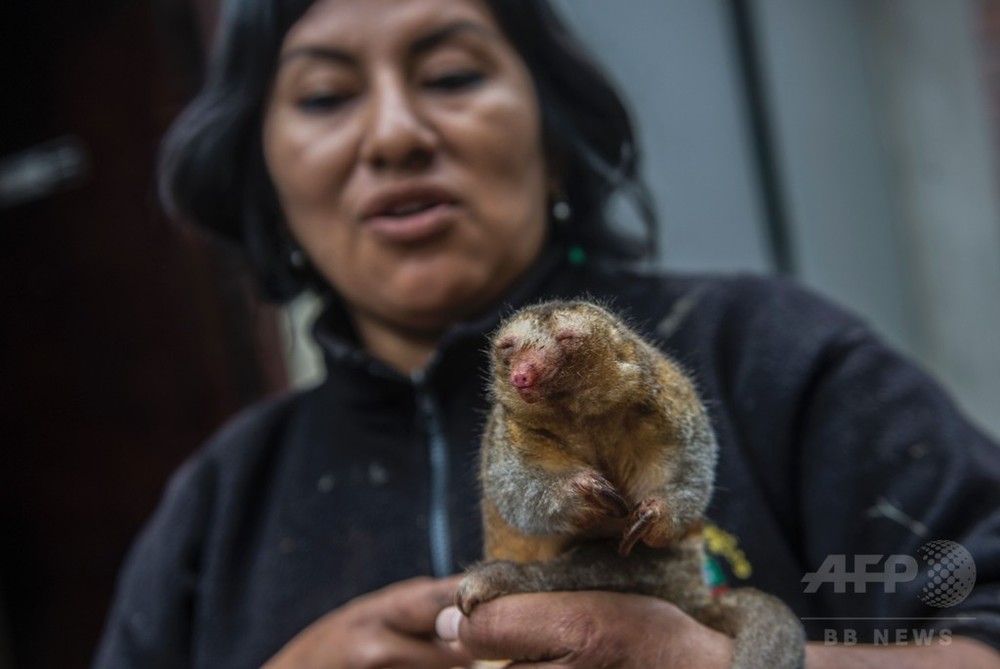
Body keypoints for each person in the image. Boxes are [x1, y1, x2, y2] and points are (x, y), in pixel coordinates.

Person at [95, 0, 1000, 667]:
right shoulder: (219, 511)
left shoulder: (771, 357)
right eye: (326, 96)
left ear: (553, 135)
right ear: (268, 179)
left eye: (451, 75)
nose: (396, 133)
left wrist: (711, 660)